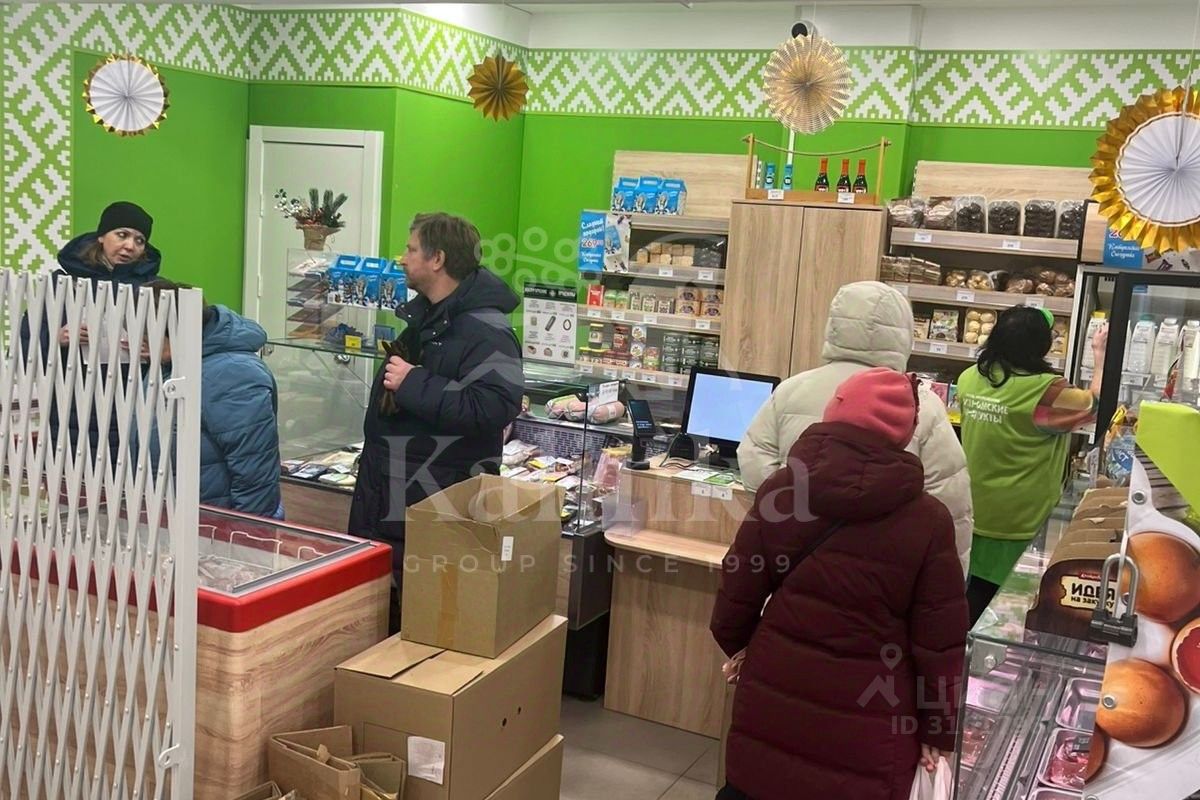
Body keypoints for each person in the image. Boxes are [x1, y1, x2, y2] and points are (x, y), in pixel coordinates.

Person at [711, 368, 968, 800]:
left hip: (774, 698)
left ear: (833, 412)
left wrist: (746, 649)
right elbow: (940, 643)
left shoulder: (782, 490)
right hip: (872, 723)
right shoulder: (929, 520)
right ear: (906, 434)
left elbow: (734, 598)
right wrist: (937, 728)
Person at [348, 213, 523, 626]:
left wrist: (413, 383)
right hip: (394, 494)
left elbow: (495, 405)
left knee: (424, 623)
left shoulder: (486, 329)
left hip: (433, 504)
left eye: (411, 249)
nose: (402, 258)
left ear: (438, 259)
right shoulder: (428, 317)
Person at [738, 281, 973, 575]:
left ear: (834, 325)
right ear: (903, 333)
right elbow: (950, 501)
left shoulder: (792, 389)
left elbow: (754, 456)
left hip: (797, 562)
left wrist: (792, 516)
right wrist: (952, 578)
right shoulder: (921, 403)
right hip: (880, 571)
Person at [957, 306, 1107, 622]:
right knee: (1006, 605)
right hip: (1019, 517)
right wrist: (1100, 355)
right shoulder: (1046, 391)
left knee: (971, 589)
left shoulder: (969, 378)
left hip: (973, 505)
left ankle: (956, 643)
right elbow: (1095, 405)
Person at [20, 201, 162, 465]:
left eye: (139, 240)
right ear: (102, 236)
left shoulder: (154, 290)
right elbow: (22, 348)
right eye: (122, 234)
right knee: (71, 482)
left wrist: (156, 352)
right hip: (70, 407)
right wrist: (58, 339)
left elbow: (179, 351)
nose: (130, 246)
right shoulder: (62, 284)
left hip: (132, 407)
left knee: (126, 481)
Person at [142, 279, 282, 519]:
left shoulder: (234, 374)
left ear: (175, 330)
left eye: (146, 333)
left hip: (212, 523)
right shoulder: (171, 363)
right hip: (177, 517)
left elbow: (255, 473)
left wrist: (245, 533)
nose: (140, 341)